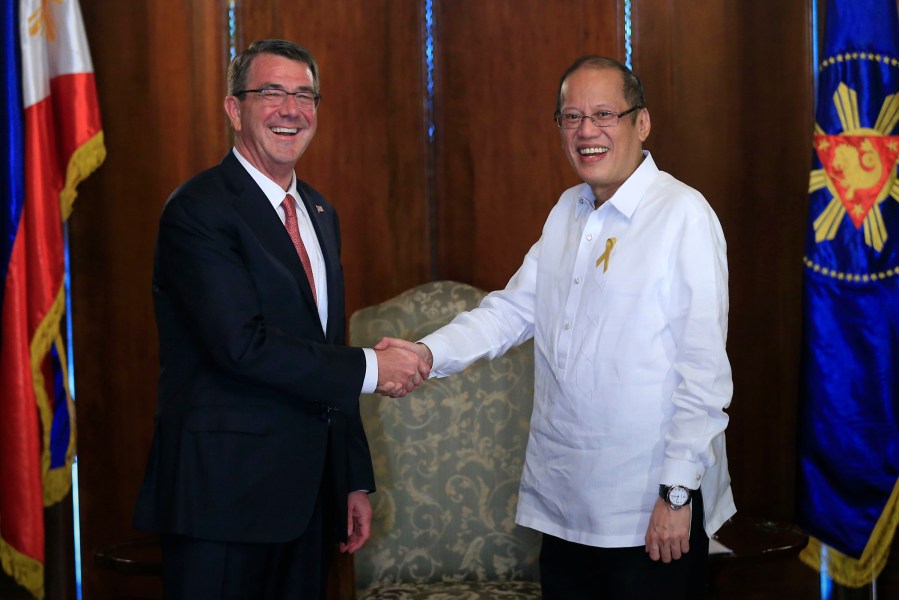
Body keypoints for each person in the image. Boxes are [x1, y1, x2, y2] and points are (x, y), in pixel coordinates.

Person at [378, 56, 735, 599]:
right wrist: (429, 354)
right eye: (570, 118)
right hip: (564, 504)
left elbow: (704, 374)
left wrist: (678, 495)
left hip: (647, 511)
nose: (586, 132)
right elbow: (511, 312)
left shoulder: (683, 214)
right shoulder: (569, 209)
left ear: (641, 123)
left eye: (603, 114)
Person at [133, 39, 427, 600]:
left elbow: (322, 347)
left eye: (304, 95)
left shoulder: (319, 212)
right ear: (233, 107)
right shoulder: (198, 211)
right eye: (271, 93)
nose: (290, 110)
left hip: (309, 501)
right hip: (222, 499)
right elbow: (241, 346)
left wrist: (352, 478)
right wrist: (373, 367)